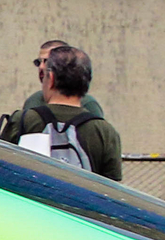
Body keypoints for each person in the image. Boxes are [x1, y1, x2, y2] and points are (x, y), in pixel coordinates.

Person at [7, 44, 121, 178]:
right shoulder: (105, 132)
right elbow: (111, 188)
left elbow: (0, 167)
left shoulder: (22, 120)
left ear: (51, 79)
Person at [0, 39, 107, 141]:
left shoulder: (88, 105)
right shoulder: (33, 101)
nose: (41, 67)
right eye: (38, 62)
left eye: (47, 61)